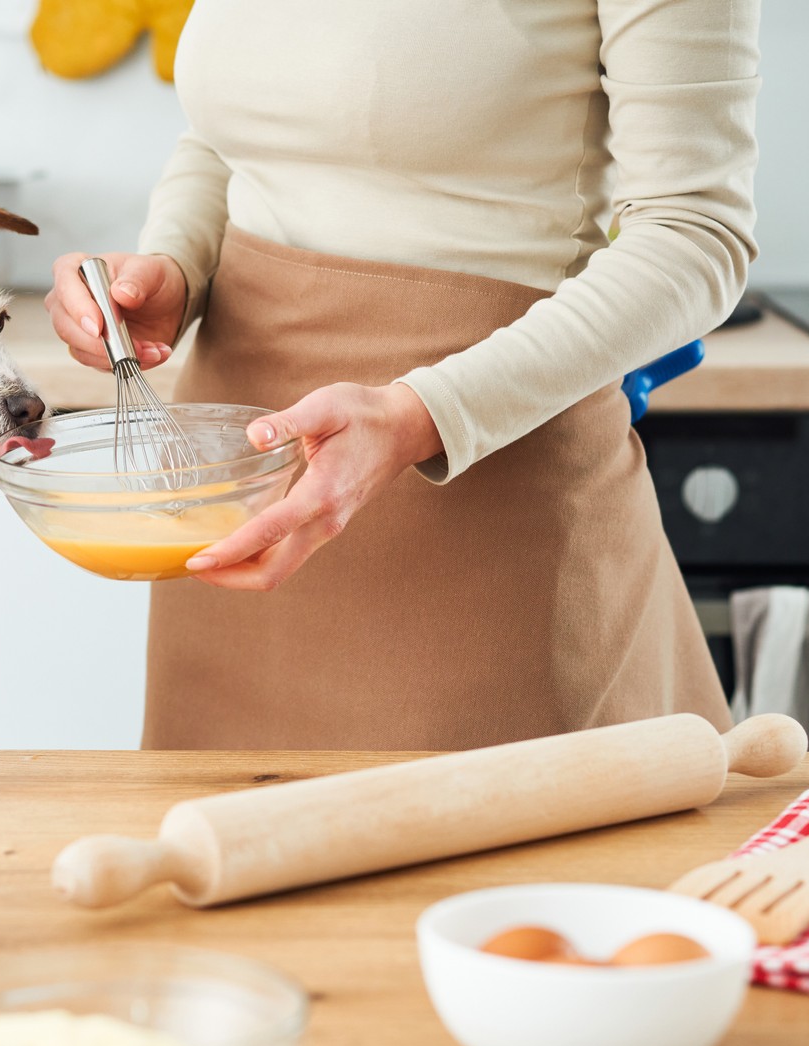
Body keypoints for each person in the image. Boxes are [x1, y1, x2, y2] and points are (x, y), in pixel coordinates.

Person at [47, 0, 757, 751]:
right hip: (242, 494)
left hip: (483, 506)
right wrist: (174, 270)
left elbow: (695, 234)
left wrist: (424, 411)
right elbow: (227, 140)